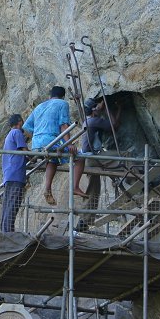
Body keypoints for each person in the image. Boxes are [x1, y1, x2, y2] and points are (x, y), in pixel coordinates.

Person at [23, 86, 85, 205]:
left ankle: (47, 189)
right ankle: (75, 187)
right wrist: (70, 144)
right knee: (80, 157)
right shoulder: (62, 103)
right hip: (51, 141)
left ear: (50, 95)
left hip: (37, 144)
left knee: (53, 160)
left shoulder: (39, 107)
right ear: (62, 96)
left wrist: (35, 140)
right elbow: (64, 126)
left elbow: (27, 128)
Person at [75, 97, 121, 229]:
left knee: (93, 190)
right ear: (94, 109)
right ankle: (141, 178)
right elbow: (115, 126)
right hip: (95, 157)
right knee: (125, 157)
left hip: (88, 159)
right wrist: (108, 109)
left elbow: (114, 125)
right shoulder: (94, 121)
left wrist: (117, 109)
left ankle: (83, 222)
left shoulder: (88, 121)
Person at [1, 114, 29, 232]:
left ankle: (5, 230)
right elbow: (25, 151)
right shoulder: (17, 133)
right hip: (16, 174)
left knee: (8, 204)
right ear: (20, 121)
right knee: (14, 204)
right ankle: (8, 232)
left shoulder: (9, 136)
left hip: (9, 174)